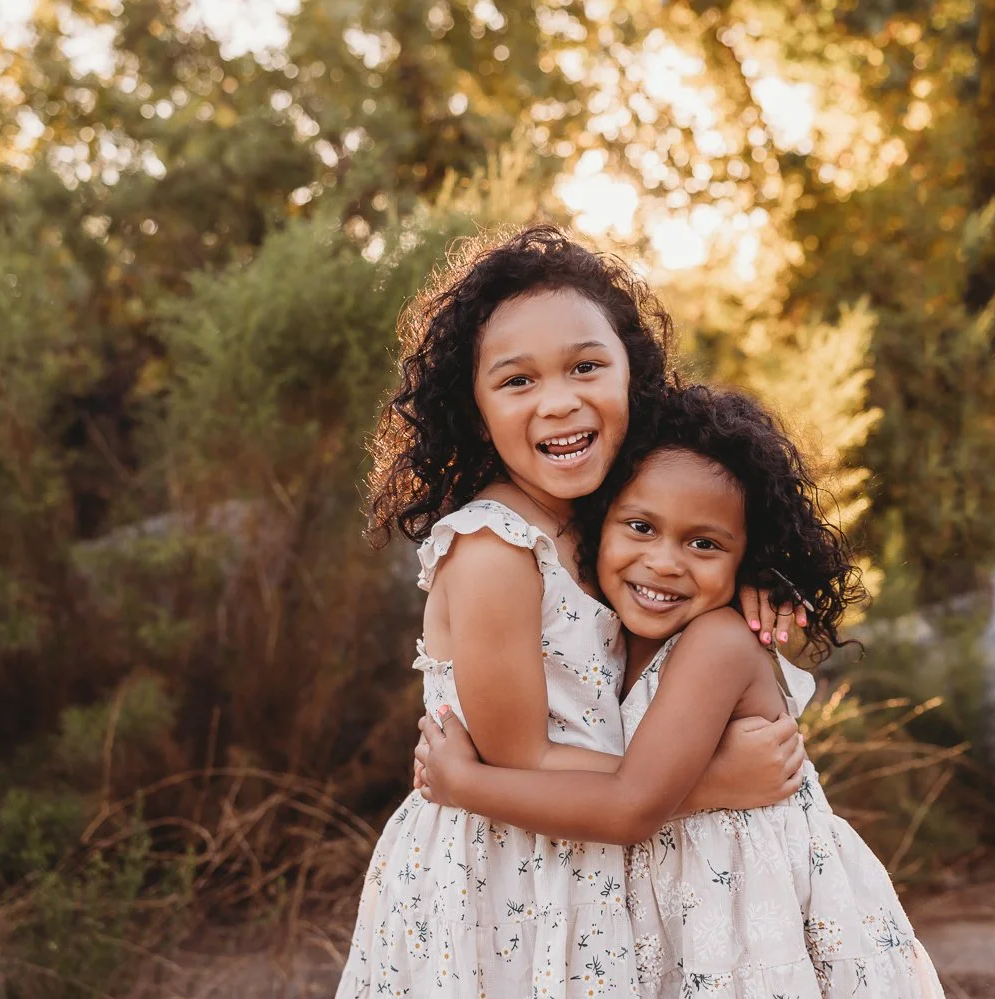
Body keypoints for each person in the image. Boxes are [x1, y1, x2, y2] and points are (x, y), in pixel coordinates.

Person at [336, 225, 808, 999]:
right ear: (474, 405)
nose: (560, 401)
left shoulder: (603, 515)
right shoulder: (495, 551)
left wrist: (755, 575)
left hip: (598, 863)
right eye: (516, 381)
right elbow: (519, 761)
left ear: (634, 374)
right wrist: (713, 782)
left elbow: (688, 572)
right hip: (508, 879)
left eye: (587, 366)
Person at [418, 385, 948, 998]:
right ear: (599, 524)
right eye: (641, 527)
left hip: (753, 929)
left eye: (705, 543)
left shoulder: (717, 642)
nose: (665, 562)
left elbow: (631, 807)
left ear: (749, 556)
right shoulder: (609, 623)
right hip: (686, 919)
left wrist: (464, 785)